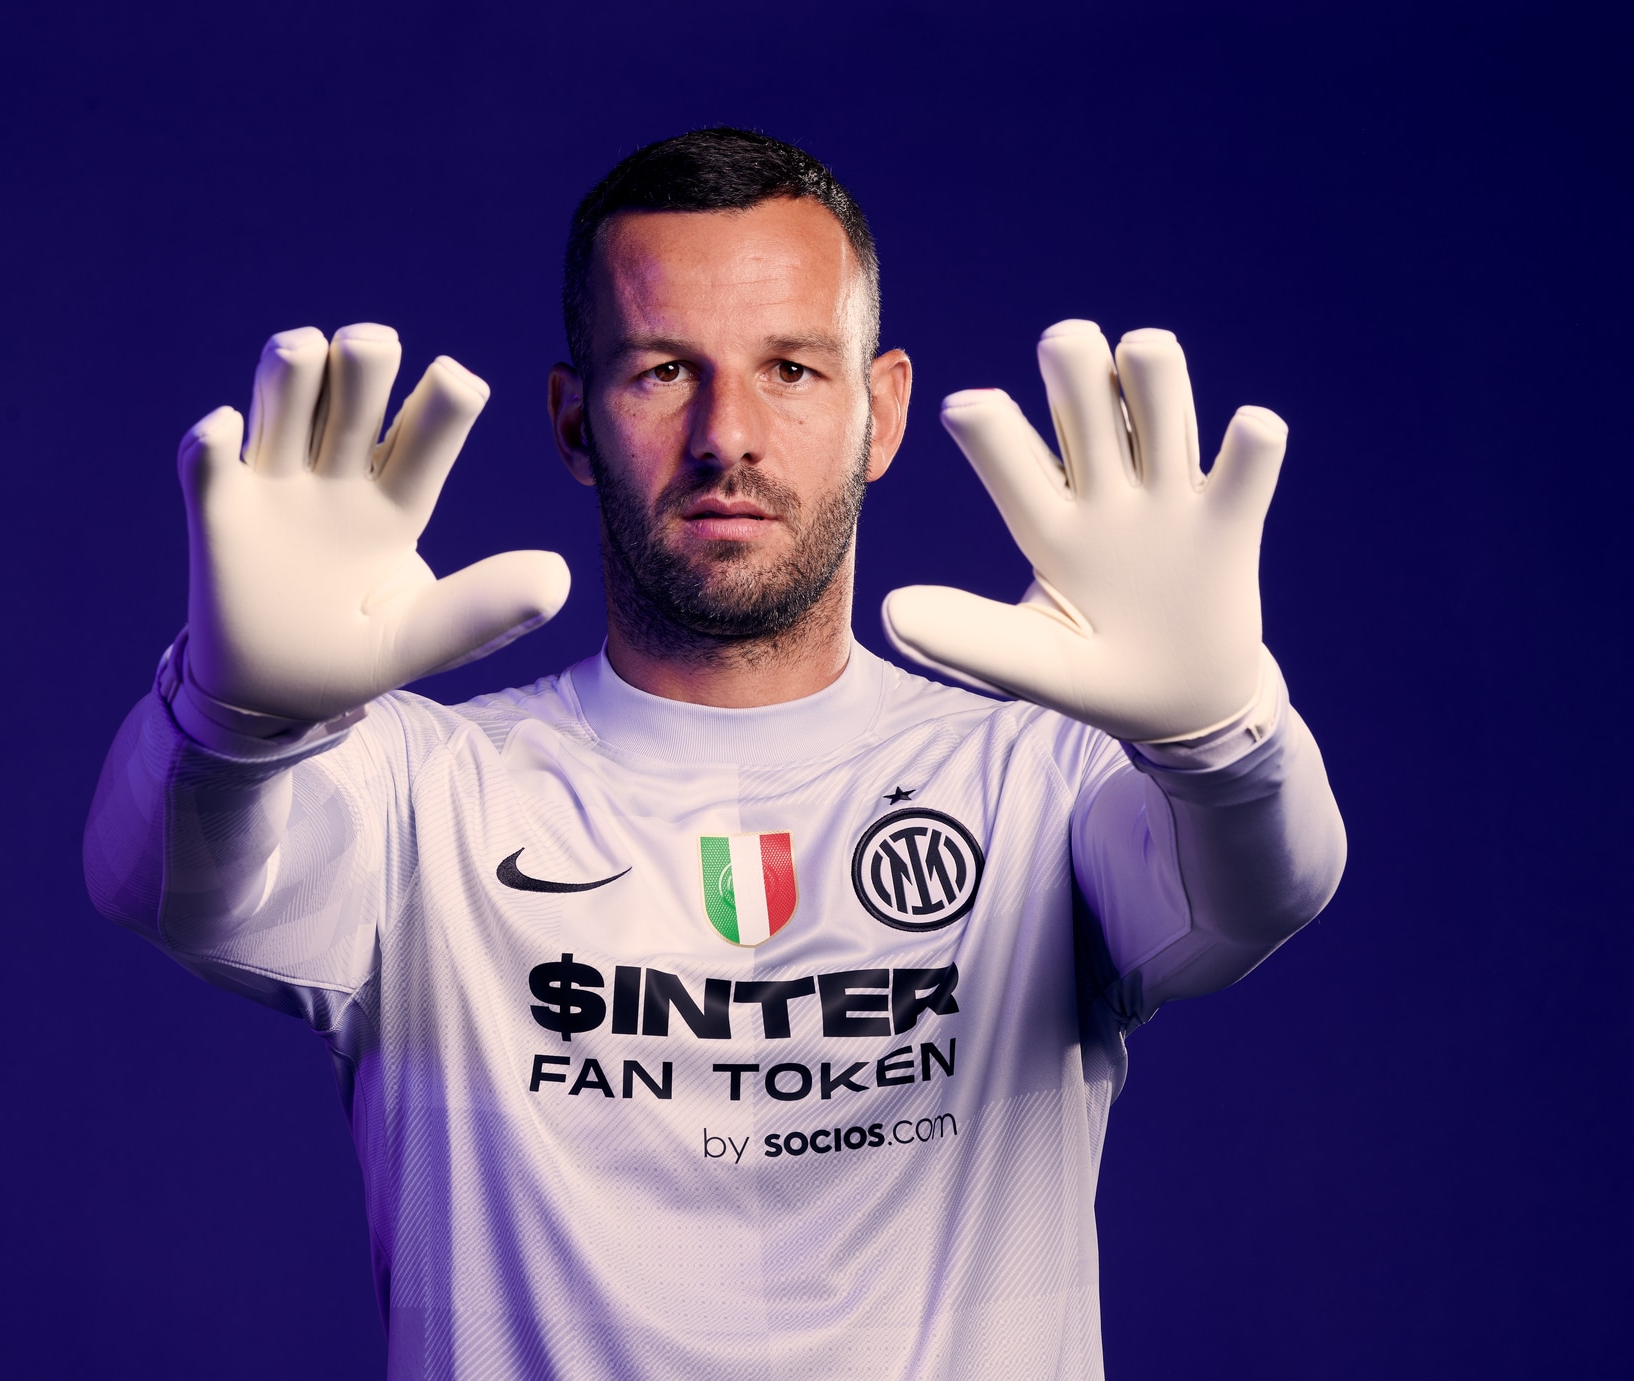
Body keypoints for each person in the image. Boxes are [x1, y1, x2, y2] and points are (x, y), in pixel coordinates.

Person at [84, 127, 1347, 1380]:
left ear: (880, 411)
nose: (724, 434)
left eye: (790, 368)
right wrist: (229, 724)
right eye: (660, 371)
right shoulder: (424, 795)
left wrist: (1220, 739)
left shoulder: (1042, 781)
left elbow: (1257, 889)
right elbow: (163, 885)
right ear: (572, 422)